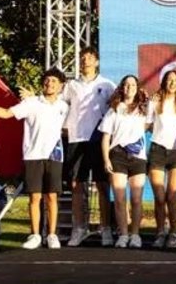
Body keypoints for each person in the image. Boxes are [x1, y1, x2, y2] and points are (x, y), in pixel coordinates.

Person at [0, 68, 69, 250]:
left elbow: (68, 129)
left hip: (55, 155)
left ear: (61, 86)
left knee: (52, 197)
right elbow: (6, 113)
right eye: (47, 80)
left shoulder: (64, 107)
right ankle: (35, 235)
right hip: (33, 155)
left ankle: (52, 235)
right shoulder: (31, 103)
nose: (50, 84)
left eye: (54, 81)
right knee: (35, 197)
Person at [62, 47, 116, 247]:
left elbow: (116, 110)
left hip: (98, 140)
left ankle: (106, 228)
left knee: (102, 185)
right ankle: (79, 228)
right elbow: (60, 106)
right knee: (77, 185)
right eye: (82, 58)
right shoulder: (71, 85)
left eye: (90, 58)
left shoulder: (107, 85)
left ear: (97, 62)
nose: (85, 61)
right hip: (76, 139)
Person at [99, 75, 149, 249]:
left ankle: (135, 235)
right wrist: (106, 159)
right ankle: (123, 234)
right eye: (126, 85)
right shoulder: (114, 110)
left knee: (136, 199)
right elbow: (106, 137)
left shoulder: (144, 109)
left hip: (138, 157)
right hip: (117, 156)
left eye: (133, 84)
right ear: (122, 88)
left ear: (137, 88)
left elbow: (152, 124)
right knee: (120, 199)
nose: (129, 87)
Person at [147, 70, 176, 248]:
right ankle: (160, 233)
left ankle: (173, 233)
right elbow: (147, 124)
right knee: (159, 197)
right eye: (169, 80)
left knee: (172, 197)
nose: (172, 83)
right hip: (157, 151)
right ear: (164, 82)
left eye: (175, 80)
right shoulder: (155, 100)